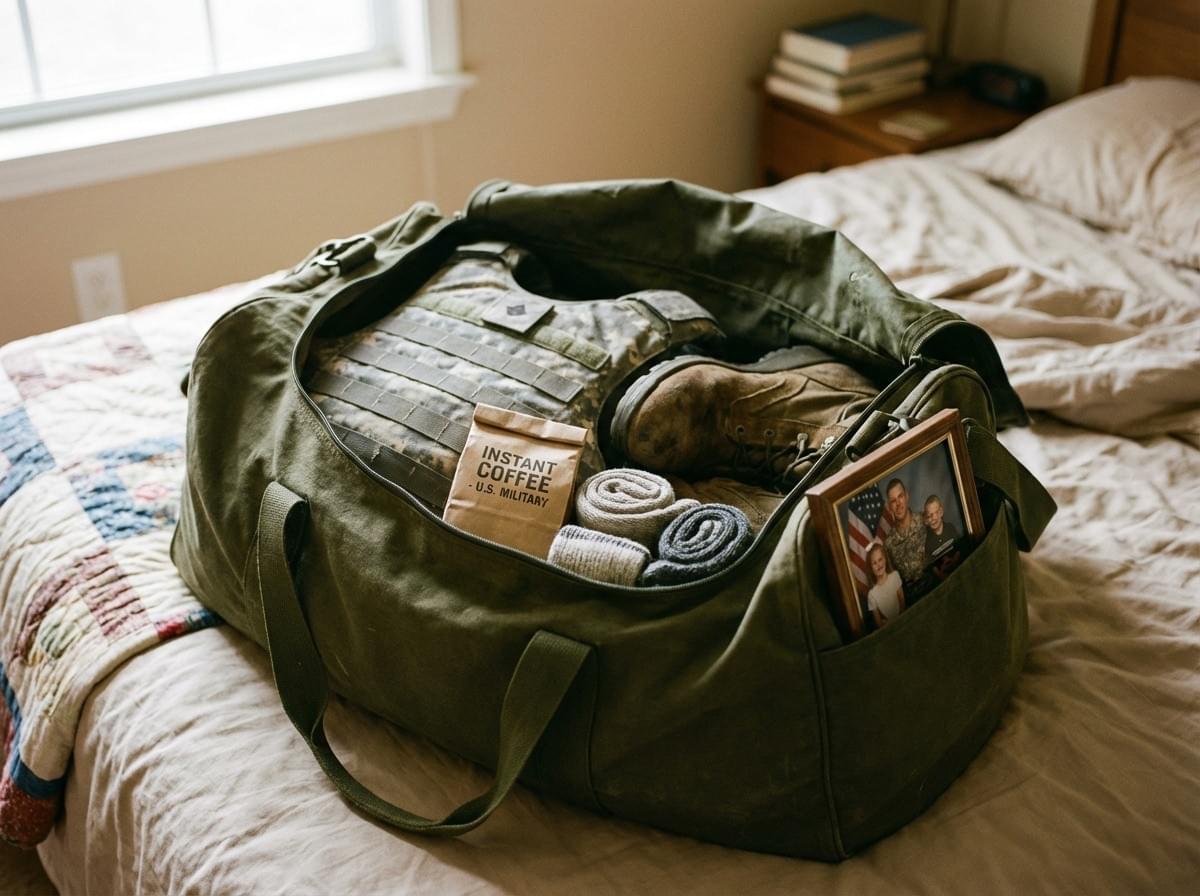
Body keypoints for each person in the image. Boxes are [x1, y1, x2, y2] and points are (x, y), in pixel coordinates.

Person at [883, 478, 925, 584]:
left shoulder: (925, 521)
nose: (898, 504)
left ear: (907, 496)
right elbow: (894, 584)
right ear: (889, 507)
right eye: (893, 501)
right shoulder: (888, 544)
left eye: (900, 497)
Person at [865, 542, 905, 627]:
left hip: (903, 618)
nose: (878, 565)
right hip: (888, 626)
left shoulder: (894, 576)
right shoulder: (872, 594)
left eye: (880, 560)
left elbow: (902, 601)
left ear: (885, 559)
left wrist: (900, 618)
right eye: (874, 563)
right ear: (870, 568)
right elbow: (878, 622)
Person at [923, 495, 960, 560]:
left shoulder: (950, 528)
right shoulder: (927, 542)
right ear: (926, 520)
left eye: (936, 512)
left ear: (941, 512)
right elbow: (931, 566)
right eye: (929, 515)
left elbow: (960, 548)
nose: (934, 518)